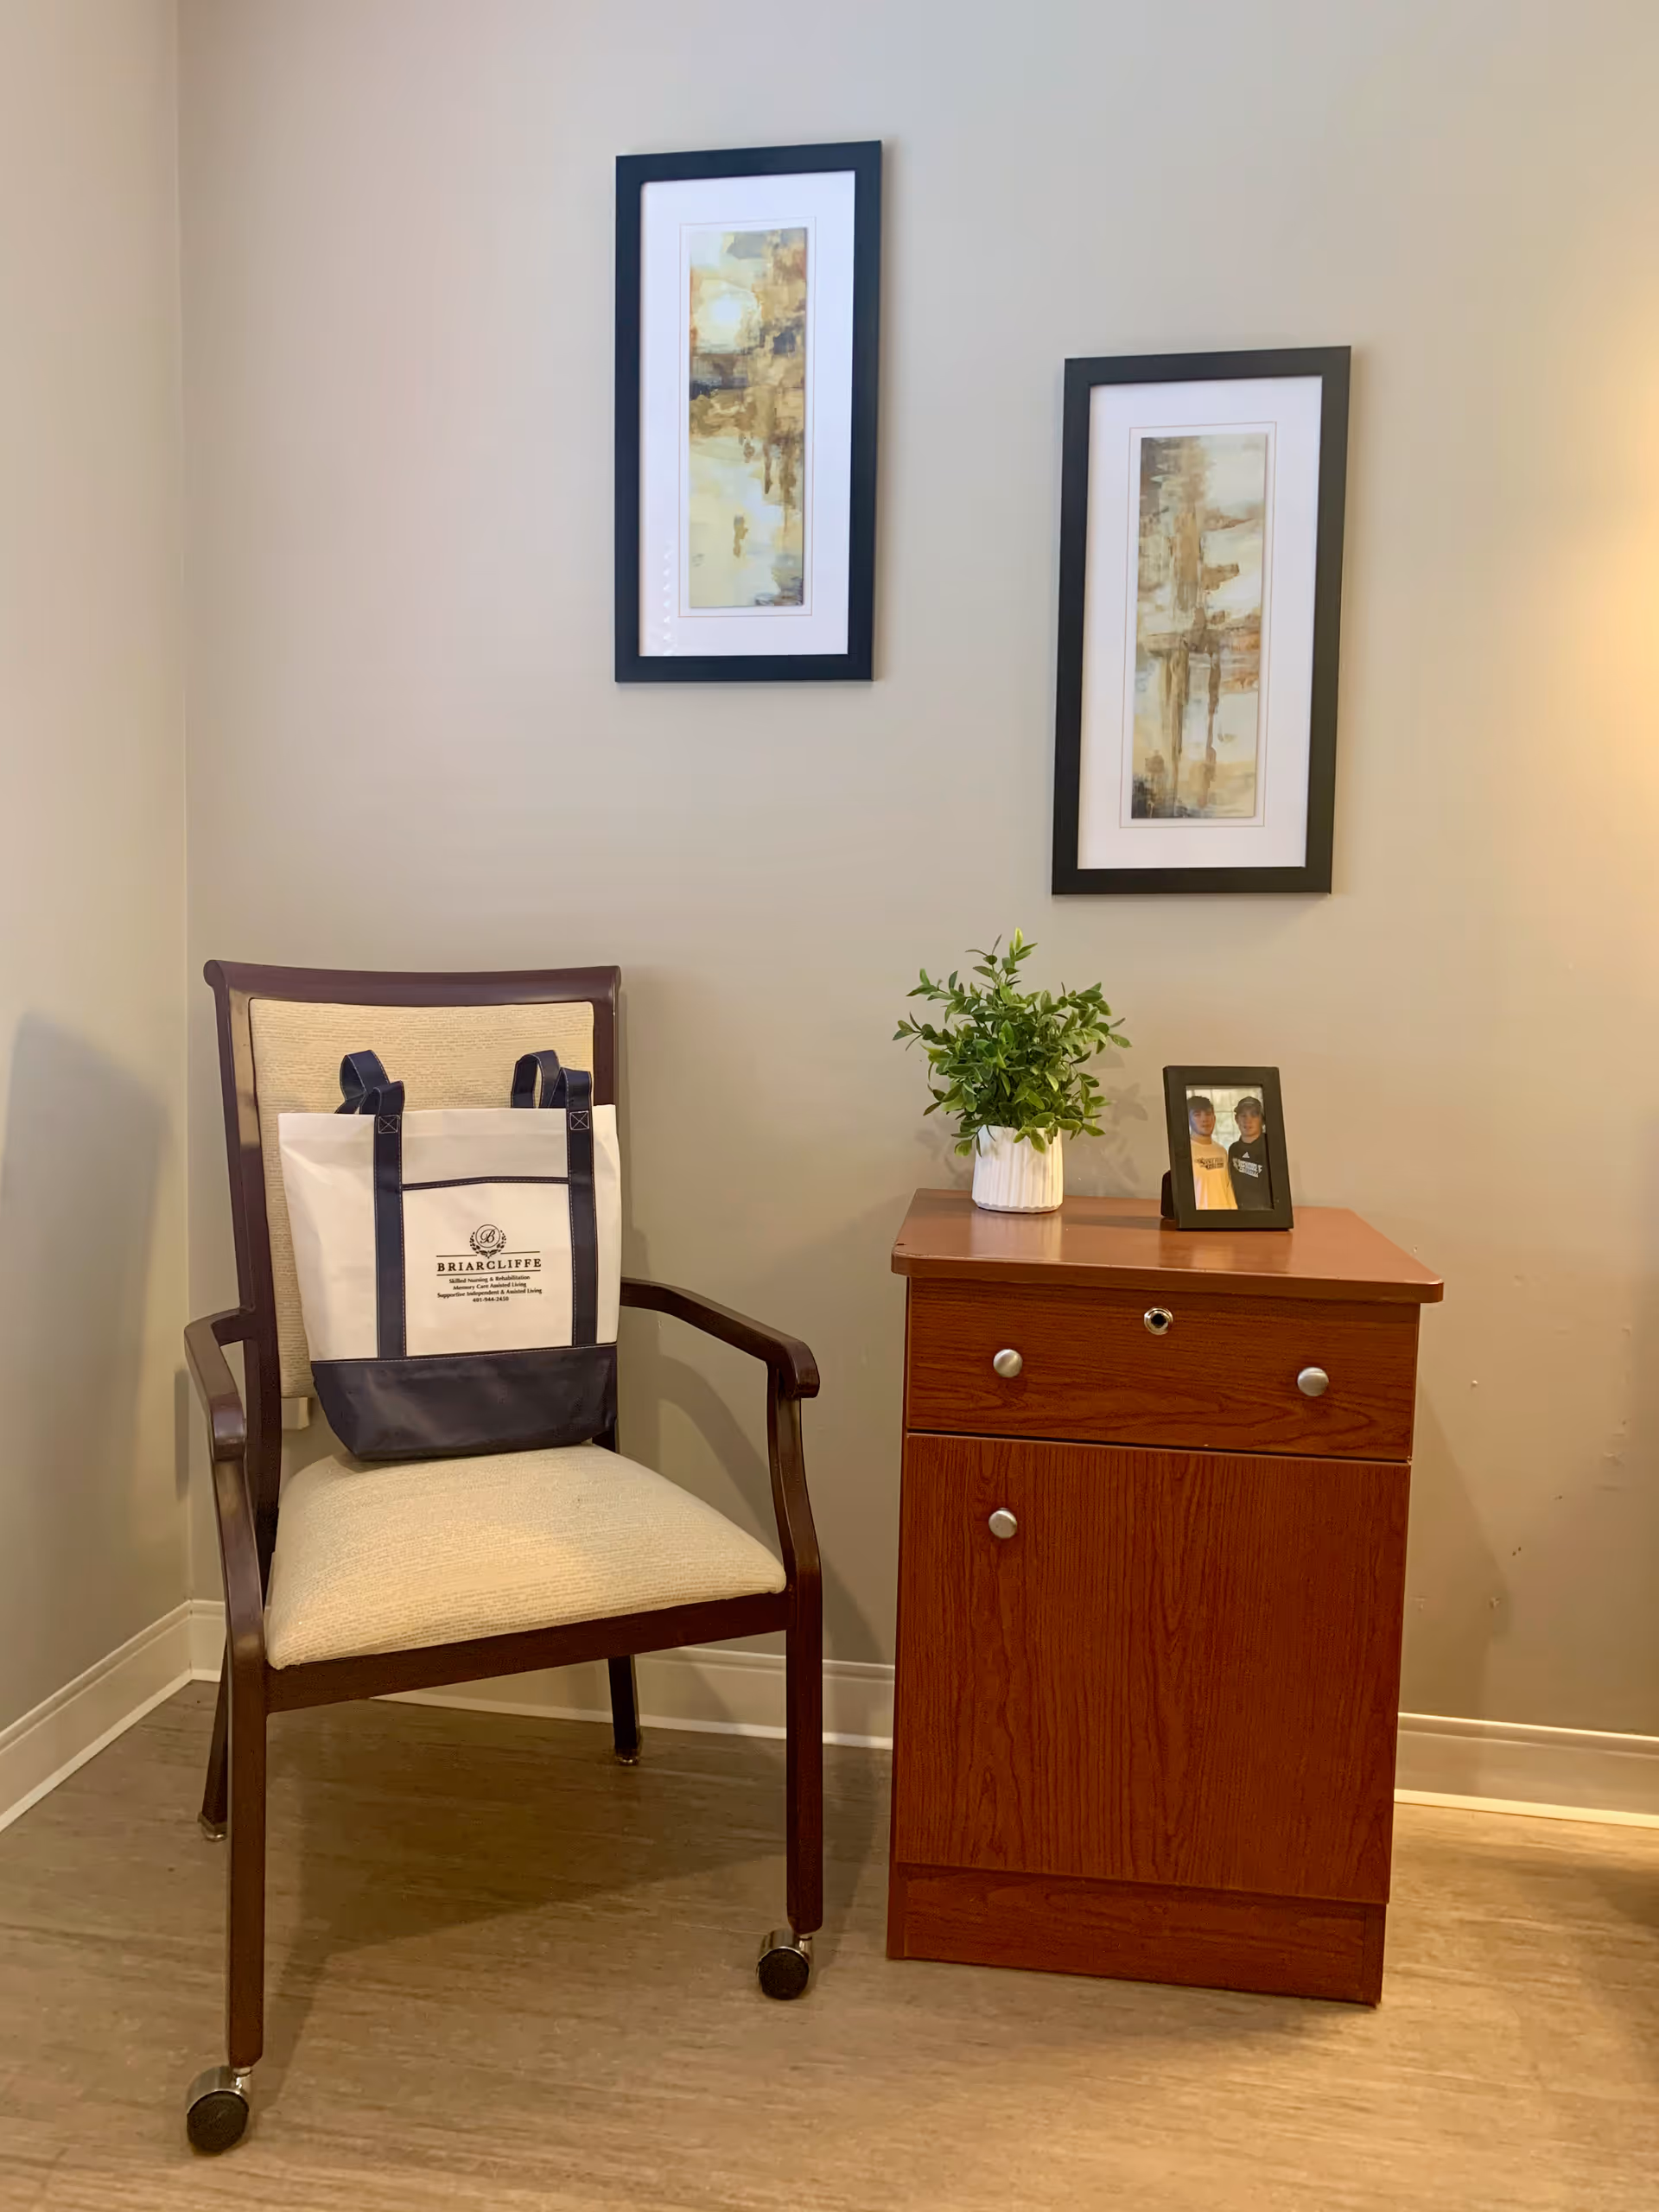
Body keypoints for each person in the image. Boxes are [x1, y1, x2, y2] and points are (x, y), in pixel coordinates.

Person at [1186, 1096, 1236, 1210]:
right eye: (1197, 1114)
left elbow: (1229, 1190)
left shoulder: (1221, 1151)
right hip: (1199, 1223)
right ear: (1188, 1119)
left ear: (1214, 1118)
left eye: (1208, 1114)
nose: (1205, 1119)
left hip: (1225, 1221)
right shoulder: (1185, 1152)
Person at [1228, 1096, 1273, 1209]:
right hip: (1239, 1212)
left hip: (1266, 1213)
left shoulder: (1270, 1146)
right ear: (1236, 1119)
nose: (1248, 1120)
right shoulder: (1233, 1149)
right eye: (1243, 1115)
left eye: (1254, 1115)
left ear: (1262, 1120)